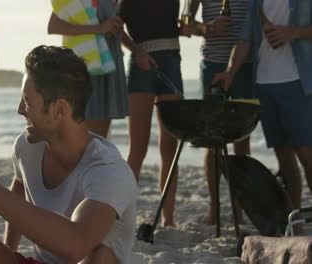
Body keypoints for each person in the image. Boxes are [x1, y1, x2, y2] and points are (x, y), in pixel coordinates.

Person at [0, 45, 137, 264]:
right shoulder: (27, 147)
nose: (20, 110)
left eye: (27, 101)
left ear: (59, 110)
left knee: (101, 257)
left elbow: (76, 244)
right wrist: (9, 251)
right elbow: (19, 188)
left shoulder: (108, 170)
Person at [213, 0, 312, 209]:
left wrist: (292, 33)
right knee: (283, 157)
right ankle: (293, 221)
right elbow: (244, 41)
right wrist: (230, 72)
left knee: (306, 154)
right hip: (264, 85)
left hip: (297, 83)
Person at [181, 0, 253, 224]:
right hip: (211, 64)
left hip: (246, 65)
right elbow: (185, 26)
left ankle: (239, 208)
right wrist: (208, 28)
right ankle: (215, 208)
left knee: (242, 139)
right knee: (211, 139)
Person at [119, 0, 184, 226]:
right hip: (140, 66)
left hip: (172, 62)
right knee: (138, 148)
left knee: (170, 147)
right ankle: (122, 216)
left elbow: (181, 24)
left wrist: (191, 28)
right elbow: (115, 27)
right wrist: (137, 51)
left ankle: (168, 219)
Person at [47, 0, 130, 137]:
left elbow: (112, 28)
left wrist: (136, 50)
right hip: (87, 67)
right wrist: (99, 28)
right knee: (83, 138)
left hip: (108, 65)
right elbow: (54, 26)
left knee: (98, 140)